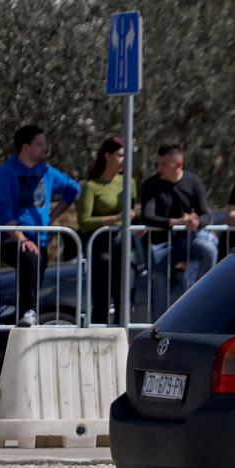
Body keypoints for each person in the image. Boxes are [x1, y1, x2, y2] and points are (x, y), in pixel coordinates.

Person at [0, 124, 80, 327]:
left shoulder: (46, 171)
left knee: (35, 272)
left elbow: (72, 189)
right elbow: (3, 209)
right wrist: (21, 238)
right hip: (12, 239)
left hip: (39, 239)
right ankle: (27, 313)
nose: (44, 149)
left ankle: (28, 317)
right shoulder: (6, 172)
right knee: (29, 259)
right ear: (25, 147)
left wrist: (52, 216)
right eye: (39, 144)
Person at [139, 144, 217, 318]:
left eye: (164, 164)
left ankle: (201, 295)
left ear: (178, 165)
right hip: (158, 243)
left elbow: (206, 215)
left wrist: (196, 222)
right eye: (157, 164)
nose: (159, 169)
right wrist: (176, 222)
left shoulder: (193, 182)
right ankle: (157, 333)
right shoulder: (151, 184)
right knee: (160, 292)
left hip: (185, 241)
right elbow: (147, 216)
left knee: (209, 251)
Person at [78, 136, 137, 326]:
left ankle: (123, 339)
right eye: (120, 155)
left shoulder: (130, 182)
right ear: (107, 155)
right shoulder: (92, 186)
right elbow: (84, 221)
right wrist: (115, 219)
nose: (124, 160)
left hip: (125, 246)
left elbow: (135, 210)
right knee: (102, 297)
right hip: (102, 247)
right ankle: (97, 337)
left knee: (125, 297)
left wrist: (137, 219)